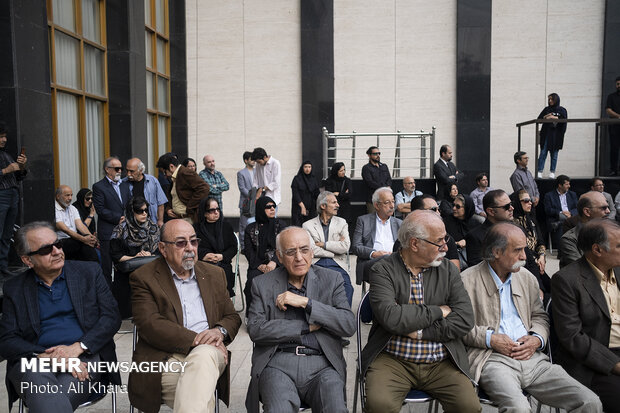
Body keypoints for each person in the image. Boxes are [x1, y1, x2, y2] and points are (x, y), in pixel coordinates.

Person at [461, 223, 602, 413]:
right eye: (518, 250)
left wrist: (536, 338)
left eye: (525, 249)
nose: (524, 257)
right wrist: (490, 339)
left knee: (590, 402)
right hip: (492, 360)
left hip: (533, 358)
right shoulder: (467, 280)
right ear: (496, 252)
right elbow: (459, 326)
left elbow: (540, 316)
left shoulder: (526, 277)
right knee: (519, 409)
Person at [362, 210, 480, 413]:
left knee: (469, 407)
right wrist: (438, 311)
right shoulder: (382, 270)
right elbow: (392, 318)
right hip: (392, 359)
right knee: (379, 406)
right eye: (439, 241)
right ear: (414, 244)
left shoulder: (448, 270)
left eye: (446, 239)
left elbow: (464, 319)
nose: (445, 247)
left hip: (442, 361)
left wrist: (421, 332)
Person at [0, 221, 121, 413]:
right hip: (34, 360)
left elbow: (111, 317)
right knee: (36, 376)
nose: (57, 251)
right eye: (46, 249)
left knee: (48, 399)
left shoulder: (89, 272)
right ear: (27, 260)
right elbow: (6, 340)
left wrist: (77, 348)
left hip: (83, 358)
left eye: (58, 244)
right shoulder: (15, 288)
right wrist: (48, 357)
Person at [129, 219, 241, 413]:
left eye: (193, 241)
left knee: (203, 358)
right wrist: (199, 340)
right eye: (181, 243)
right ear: (163, 248)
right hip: (165, 358)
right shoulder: (144, 277)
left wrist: (219, 331)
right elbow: (150, 324)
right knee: (198, 394)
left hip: (211, 355)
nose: (190, 248)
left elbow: (231, 316)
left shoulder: (214, 274)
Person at [245, 227, 355, 412]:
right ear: (279, 257)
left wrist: (307, 303)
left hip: (323, 364)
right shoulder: (262, 284)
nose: (299, 258)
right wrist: (304, 327)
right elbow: (256, 329)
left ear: (312, 252)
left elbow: (347, 324)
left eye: (304, 250)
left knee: (335, 408)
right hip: (278, 364)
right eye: (290, 252)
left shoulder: (332, 279)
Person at [552, 219, 620, 413]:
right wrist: (615, 364)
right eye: (619, 245)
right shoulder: (567, 280)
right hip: (592, 361)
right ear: (597, 250)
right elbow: (573, 337)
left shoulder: (618, 269)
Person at [110, 196, 160, 318]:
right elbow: (116, 256)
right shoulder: (120, 230)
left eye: (146, 210)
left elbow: (160, 253)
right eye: (139, 211)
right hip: (127, 272)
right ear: (131, 212)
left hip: (149, 269)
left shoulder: (153, 228)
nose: (144, 214)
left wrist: (149, 255)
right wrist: (136, 258)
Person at [303, 191, 353, 305]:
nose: (338, 205)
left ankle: (343, 319)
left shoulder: (342, 223)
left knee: (347, 288)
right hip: (317, 264)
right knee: (315, 289)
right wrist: (333, 251)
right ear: (323, 206)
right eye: (334, 202)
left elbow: (345, 246)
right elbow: (312, 250)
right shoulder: (307, 225)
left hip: (337, 264)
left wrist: (324, 244)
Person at [243, 196, 288, 316]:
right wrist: (260, 265)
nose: (272, 209)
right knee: (251, 284)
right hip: (257, 265)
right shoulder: (251, 229)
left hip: (278, 264)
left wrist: (274, 262)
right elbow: (248, 251)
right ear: (261, 209)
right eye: (268, 207)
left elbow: (284, 247)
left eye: (274, 206)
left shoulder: (281, 226)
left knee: (282, 283)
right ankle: (252, 315)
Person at [92, 156, 132, 284]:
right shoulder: (99, 186)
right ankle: (108, 296)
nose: (120, 171)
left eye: (121, 168)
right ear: (107, 169)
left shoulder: (125, 185)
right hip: (108, 231)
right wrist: (117, 218)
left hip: (125, 231)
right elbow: (100, 209)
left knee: (124, 263)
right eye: (116, 168)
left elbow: (130, 204)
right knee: (107, 267)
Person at [353, 187, 402, 286]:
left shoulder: (399, 223)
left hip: (396, 263)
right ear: (376, 205)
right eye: (387, 202)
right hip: (370, 263)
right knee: (386, 260)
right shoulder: (363, 221)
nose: (392, 206)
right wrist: (374, 253)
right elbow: (356, 247)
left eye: (393, 201)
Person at [510, 190, 550, 302]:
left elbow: (541, 242)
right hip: (524, 265)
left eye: (530, 200)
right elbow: (521, 249)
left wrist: (542, 257)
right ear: (517, 203)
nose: (530, 203)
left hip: (537, 263)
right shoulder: (512, 223)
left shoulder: (531, 220)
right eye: (526, 200)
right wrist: (536, 260)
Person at [194, 197, 238, 297]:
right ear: (204, 213)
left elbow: (233, 247)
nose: (216, 212)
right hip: (203, 265)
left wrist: (222, 256)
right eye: (212, 210)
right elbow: (194, 247)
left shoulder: (226, 226)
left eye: (218, 209)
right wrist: (204, 255)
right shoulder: (196, 229)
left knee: (222, 273)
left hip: (223, 263)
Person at [0, 123, 27, 275]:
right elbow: (7, 172)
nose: (4, 140)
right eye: (1, 137)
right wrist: (5, 170)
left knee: (7, 233)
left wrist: (21, 166)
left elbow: (18, 177)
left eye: (4, 136)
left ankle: (3, 266)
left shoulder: (6, 154)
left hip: (12, 194)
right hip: (2, 195)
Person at [559, 191, 610, 268]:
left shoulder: (611, 234)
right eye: (603, 208)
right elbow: (582, 270)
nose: (608, 211)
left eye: (607, 207)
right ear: (587, 212)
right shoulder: (569, 239)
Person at [410, 194, 462, 269]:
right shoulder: (405, 241)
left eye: (438, 209)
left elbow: (455, 272)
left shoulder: (447, 239)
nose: (438, 213)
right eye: (434, 209)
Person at [156, 152, 210, 223]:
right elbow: (174, 196)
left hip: (188, 219)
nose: (165, 175)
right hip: (178, 218)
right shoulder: (175, 176)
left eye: (164, 172)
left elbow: (204, 188)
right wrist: (169, 209)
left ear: (171, 166)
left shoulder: (185, 173)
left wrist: (190, 207)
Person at [465, 189, 514, 267]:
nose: (511, 208)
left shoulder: (516, 230)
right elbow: (477, 268)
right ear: (491, 211)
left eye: (511, 204)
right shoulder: (475, 236)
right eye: (506, 206)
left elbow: (528, 260)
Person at [54, 185, 99, 263]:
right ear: (58, 196)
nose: (70, 198)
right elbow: (66, 230)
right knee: (83, 245)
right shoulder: (53, 209)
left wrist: (91, 238)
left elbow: (81, 225)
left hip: (75, 240)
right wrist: (84, 239)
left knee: (88, 246)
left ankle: (95, 269)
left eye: (71, 195)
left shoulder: (72, 208)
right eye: (67, 195)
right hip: (60, 242)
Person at [122, 157, 167, 227]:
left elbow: (160, 203)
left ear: (141, 170)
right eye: (127, 171)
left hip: (150, 222)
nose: (128, 174)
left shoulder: (152, 181)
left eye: (132, 171)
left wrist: (160, 221)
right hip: (131, 224)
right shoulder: (123, 183)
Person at [537, 93, 568, 179]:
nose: (550, 101)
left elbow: (564, 120)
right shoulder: (546, 109)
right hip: (546, 134)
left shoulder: (562, 110)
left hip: (556, 135)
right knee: (543, 153)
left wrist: (553, 117)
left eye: (552, 99)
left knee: (554, 154)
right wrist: (547, 116)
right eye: (549, 99)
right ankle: (539, 171)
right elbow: (539, 119)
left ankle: (552, 171)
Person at [543, 174, 578, 247]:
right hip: (557, 218)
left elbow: (577, 208)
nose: (569, 186)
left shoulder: (572, 194)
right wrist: (561, 213)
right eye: (566, 184)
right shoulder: (549, 195)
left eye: (569, 184)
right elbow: (548, 210)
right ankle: (562, 249)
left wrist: (570, 213)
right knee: (563, 222)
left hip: (571, 217)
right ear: (560, 185)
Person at [323, 162, 353, 231]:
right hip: (333, 209)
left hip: (345, 209)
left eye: (344, 170)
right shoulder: (329, 181)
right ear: (336, 171)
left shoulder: (347, 181)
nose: (343, 172)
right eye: (341, 171)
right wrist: (343, 194)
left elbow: (349, 195)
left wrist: (338, 194)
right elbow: (329, 195)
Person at [361, 146, 392, 212]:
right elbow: (369, 182)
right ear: (369, 155)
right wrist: (383, 188)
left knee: (386, 217)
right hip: (373, 199)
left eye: (379, 153)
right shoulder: (366, 168)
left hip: (385, 198)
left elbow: (389, 179)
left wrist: (388, 186)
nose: (378, 155)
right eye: (375, 154)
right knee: (373, 218)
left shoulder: (384, 166)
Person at [291, 160, 320, 226]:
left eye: (309, 167)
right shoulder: (297, 179)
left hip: (311, 208)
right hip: (298, 207)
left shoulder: (313, 179)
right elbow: (295, 194)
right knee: (298, 227)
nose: (307, 169)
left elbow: (317, 193)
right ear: (302, 168)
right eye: (305, 167)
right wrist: (302, 206)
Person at [237, 151, 255, 249]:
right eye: (252, 159)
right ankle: (243, 246)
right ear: (246, 160)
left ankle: (253, 245)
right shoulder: (241, 173)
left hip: (256, 203)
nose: (254, 161)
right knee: (244, 225)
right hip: (246, 203)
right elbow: (242, 188)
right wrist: (254, 195)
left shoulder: (257, 171)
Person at [605, 76, 620, 175]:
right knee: (614, 148)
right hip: (614, 127)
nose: (619, 85)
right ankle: (613, 170)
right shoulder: (611, 96)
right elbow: (608, 110)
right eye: (618, 84)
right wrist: (619, 116)